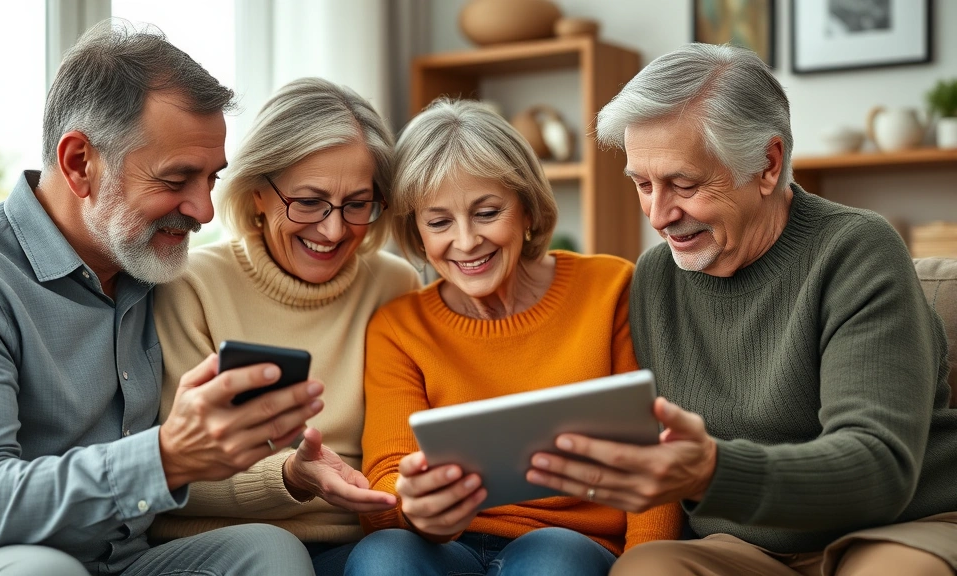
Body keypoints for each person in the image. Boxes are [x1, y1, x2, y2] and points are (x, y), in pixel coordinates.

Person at [523, 43, 957, 575]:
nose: (659, 215)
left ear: (768, 164)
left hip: (895, 527)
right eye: (642, 184)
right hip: (744, 546)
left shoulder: (855, 250)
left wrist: (712, 471)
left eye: (684, 183)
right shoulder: (655, 279)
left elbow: (878, 466)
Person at [0, 21, 325, 576]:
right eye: (175, 179)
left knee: (270, 551)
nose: (204, 210)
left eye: (211, 178)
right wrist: (164, 458)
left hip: (128, 562)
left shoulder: (151, 264)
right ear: (79, 164)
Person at [344, 99, 682, 576]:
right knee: (384, 557)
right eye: (439, 222)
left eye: (486, 212)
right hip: (448, 545)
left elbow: (655, 451)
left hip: (575, 543)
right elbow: (387, 478)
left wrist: (646, 562)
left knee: (552, 559)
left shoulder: (610, 290)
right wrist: (414, 506)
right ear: (417, 235)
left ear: (527, 210)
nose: (465, 242)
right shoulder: (400, 327)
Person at [150, 77, 421, 576]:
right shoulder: (191, 286)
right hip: (232, 549)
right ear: (257, 193)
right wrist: (291, 477)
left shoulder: (395, 283)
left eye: (357, 204)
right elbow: (168, 474)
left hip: (363, 547)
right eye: (310, 202)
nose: (334, 230)